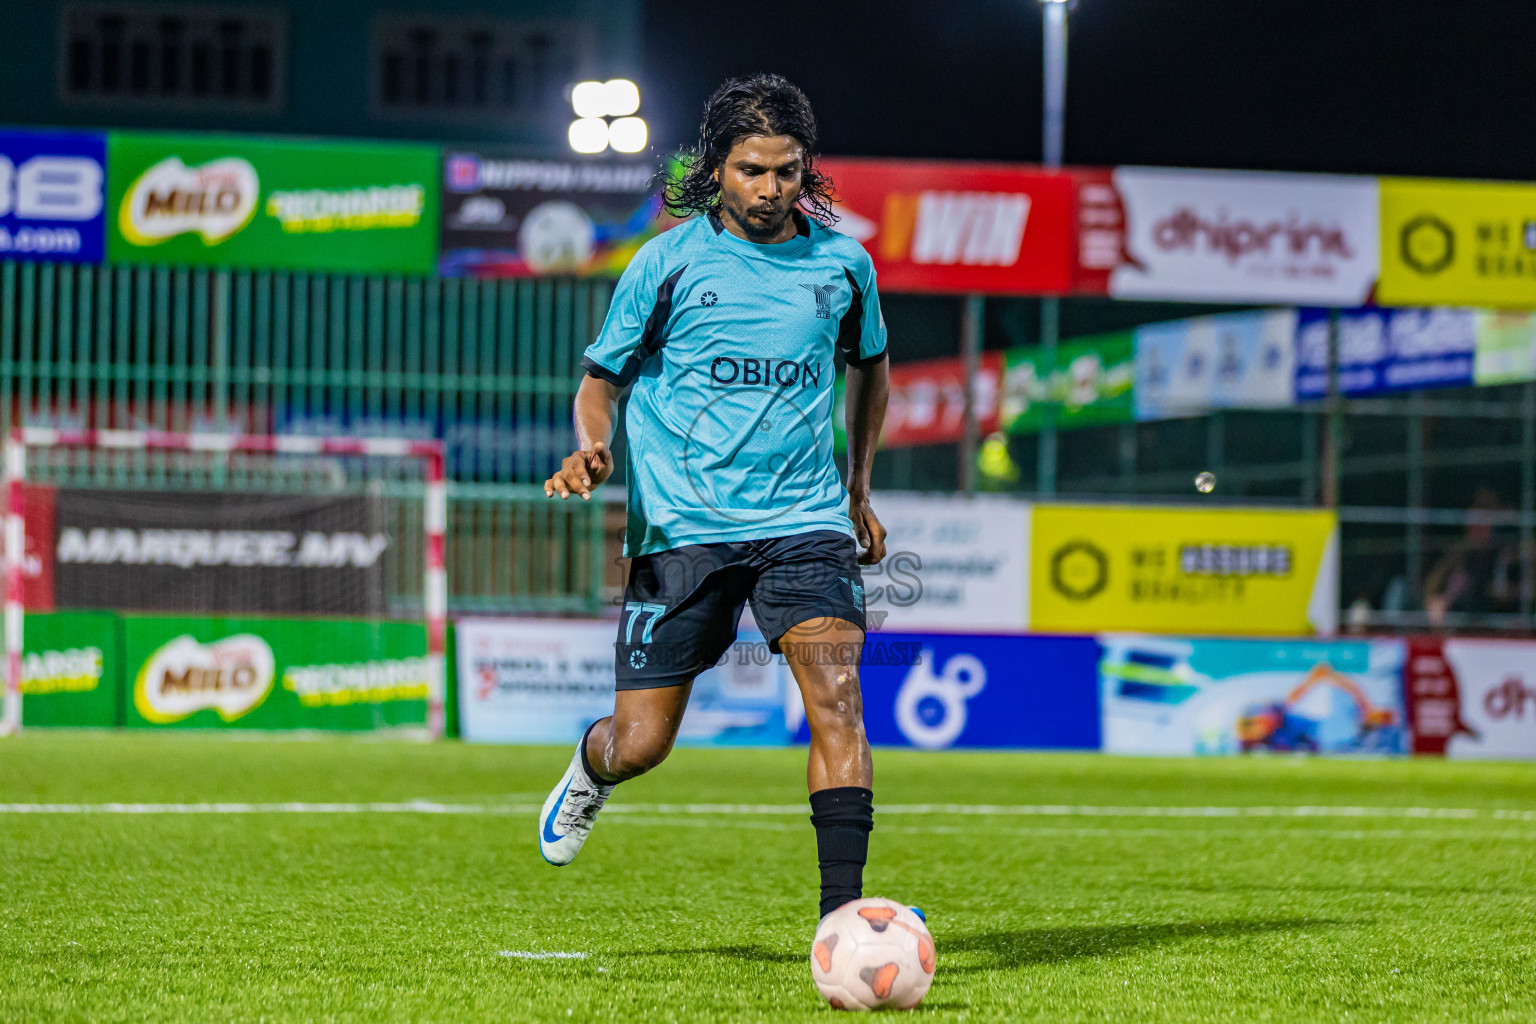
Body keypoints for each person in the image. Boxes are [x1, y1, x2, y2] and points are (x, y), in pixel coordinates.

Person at [538, 73, 892, 922]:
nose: (770, 189)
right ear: (716, 168)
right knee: (641, 743)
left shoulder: (843, 265)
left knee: (838, 702)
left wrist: (857, 487)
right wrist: (593, 445)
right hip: (683, 527)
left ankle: (841, 922)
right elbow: (600, 382)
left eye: (786, 171)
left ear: (806, 168)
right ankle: (592, 768)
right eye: (750, 170)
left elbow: (872, 370)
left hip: (804, 522)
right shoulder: (665, 263)